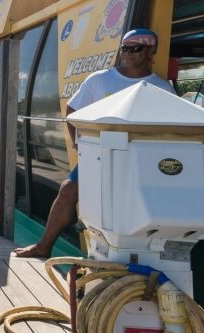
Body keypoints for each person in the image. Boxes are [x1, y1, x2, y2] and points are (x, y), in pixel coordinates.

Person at [14, 29, 176, 259]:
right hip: (99, 155)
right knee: (68, 190)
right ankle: (44, 245)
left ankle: (140, 255)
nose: (128, 53)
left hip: (139, 160)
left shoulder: (162, 88)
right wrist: (78, 144)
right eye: (125, 48)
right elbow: (72, 111)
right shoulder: (100, 79)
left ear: (152, 51)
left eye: (136, 48)